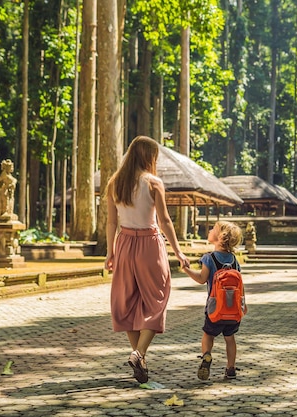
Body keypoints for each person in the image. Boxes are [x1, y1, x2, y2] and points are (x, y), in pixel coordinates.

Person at [104, 135, 190, 384]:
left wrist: (110, 252)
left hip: (124, 244)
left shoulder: (114, 182)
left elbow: (111, 222)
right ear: (148, 157)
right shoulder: (153, 182)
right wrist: (178, 251)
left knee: (127, 302)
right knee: (157, 299)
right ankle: (139, 353)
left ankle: (138, 357)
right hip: (150, 245)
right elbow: (164, 221)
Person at [182, 220, 245, 380]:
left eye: (213, 229)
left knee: (208, 335)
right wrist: (243, 305)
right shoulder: (234, 260)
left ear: (220, 237)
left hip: (214, 309)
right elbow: (240, 285)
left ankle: (207, 355)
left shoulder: (209, 258)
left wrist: (187, 270)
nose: (210, 230)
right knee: (230, 339)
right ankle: (230, 368)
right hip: (233, 310)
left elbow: (202, 279)